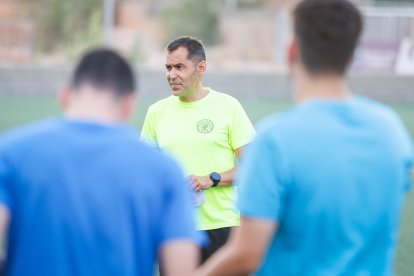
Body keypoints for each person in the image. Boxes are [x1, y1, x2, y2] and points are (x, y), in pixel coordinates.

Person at [195, 0, 414, 275]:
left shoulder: (275, 140)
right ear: (352, 54)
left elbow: (247, 254)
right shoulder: (391, 131)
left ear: (291, 50)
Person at [0, 49, 200, 276]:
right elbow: (180, 269)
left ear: (65, 96)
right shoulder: (164, 170)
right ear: (129, 105)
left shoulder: (10, 152)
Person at [141, 36, 255, 263]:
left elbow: (254, 167)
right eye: (168, 67)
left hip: (222, 226)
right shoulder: (156, 112)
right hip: (174, 230)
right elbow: (145, 173)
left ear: (201, 68)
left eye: (179, 67)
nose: (171, 74)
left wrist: (211, 179)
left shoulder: (228, 107)